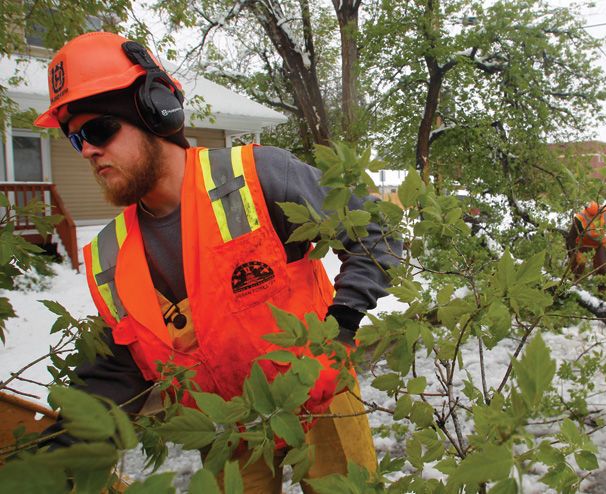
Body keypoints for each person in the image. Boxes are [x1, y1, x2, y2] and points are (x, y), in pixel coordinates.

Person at [34, 32, 401, 491]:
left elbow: (374, 233)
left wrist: (340, 332)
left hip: (321, 399)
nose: (87, 149)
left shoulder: (256, 176)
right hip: (227, 431)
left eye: (98, 129)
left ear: (153, 110)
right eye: (74, 140)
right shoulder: (110, 255)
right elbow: (117, 368)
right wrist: (59, 456)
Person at [565, 201, 606, 285]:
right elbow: (570, 238)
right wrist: (575, 253)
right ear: (586, 210)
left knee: (602, 268)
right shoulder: (579, 218)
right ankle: (571, 284)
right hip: (583, 243)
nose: (594, 217)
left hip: (600, 243)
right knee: (579, 265)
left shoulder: (605, 213)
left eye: (597, 215)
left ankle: (601, 290)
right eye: (591, 215)